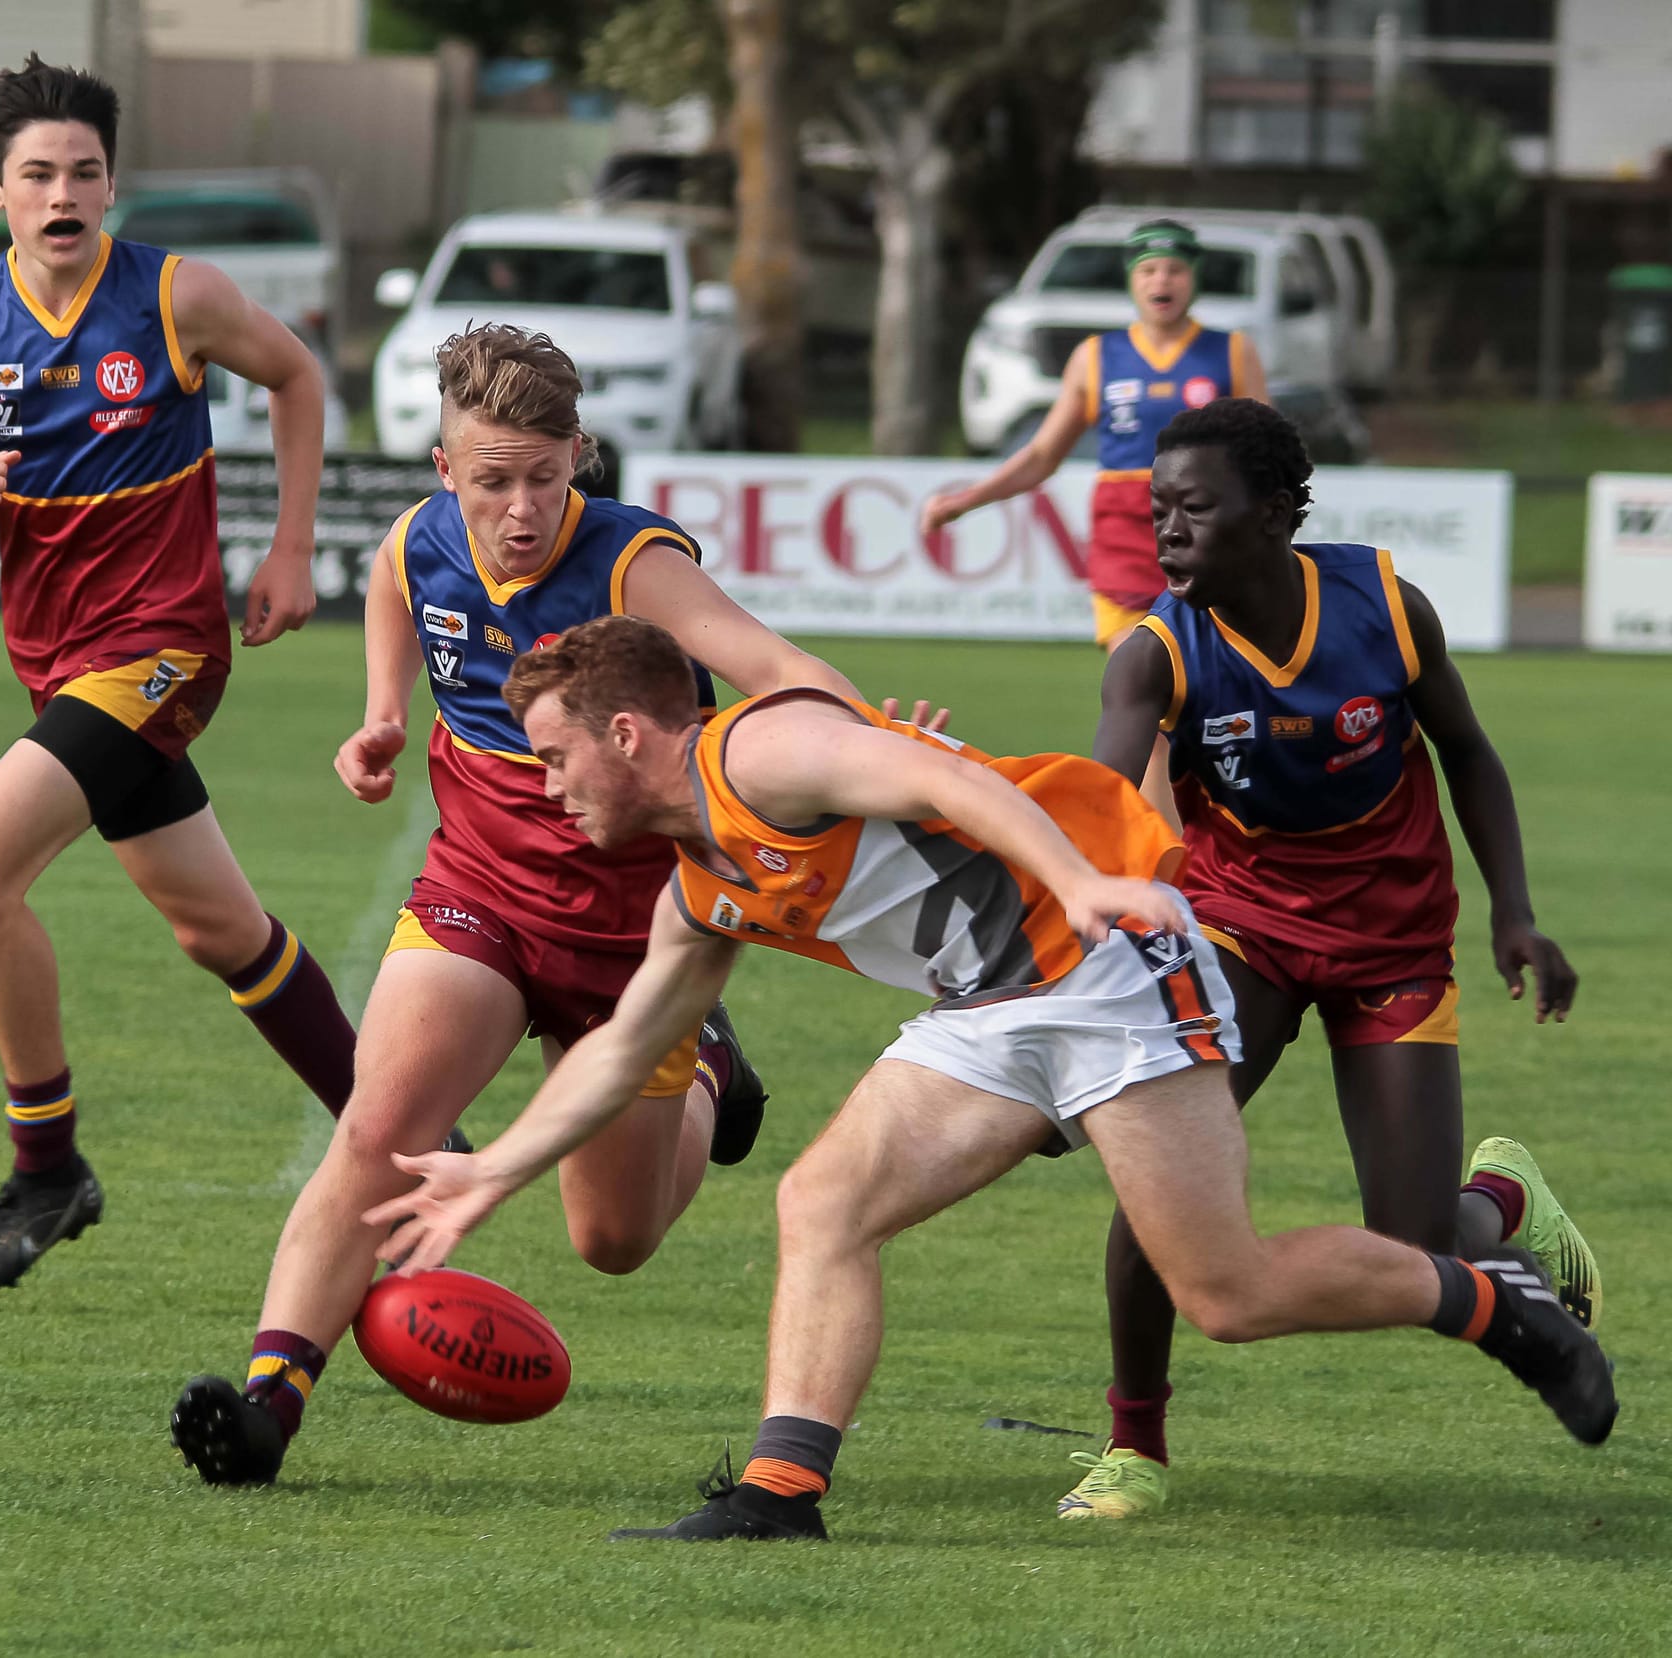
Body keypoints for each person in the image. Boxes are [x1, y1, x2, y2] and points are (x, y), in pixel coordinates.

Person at [363, 614, 1616, 1543]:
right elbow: (627, 1050)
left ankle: (1488, 1304)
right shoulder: (698, 889)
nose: (545, 781)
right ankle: (779, 1491)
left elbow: (946, 778)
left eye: (551, 753)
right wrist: (491, 1168)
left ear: (626, 731)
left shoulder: (763, 748)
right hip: (990, 1009)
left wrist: (1076, 880)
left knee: (1225, 1291)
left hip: (1107, 965)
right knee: (820, 1202)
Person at [168, 324, 875, 1487]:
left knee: (611, 1240)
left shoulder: (631, 562)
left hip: (637, 928)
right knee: (377, 1130)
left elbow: (770, 662)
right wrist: (379, 714)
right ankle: (266, 1404)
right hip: (480, 889)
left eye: (545, 476)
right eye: (490, 479)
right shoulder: (415, 538)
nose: (519, 506)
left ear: (578, 459)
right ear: (443, 468)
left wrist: (876, 750)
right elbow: (399, 591)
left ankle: (705, 1068)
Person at [1053, 396, 1601, 1518]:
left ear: (1274, 514)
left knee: (1407, 1250)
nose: (1166, 535)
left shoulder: (1383, 606)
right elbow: (1097, 806)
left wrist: (1513, 913)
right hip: (1239, 932)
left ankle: (1496, 1200)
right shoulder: (1154, 652)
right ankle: (1133, 1445)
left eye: (1193, 511)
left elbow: (1467, 752)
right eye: (1156, 511)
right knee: (1160, 1179)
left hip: (1393, 937)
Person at [0, 56, 359, 1299]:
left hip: (163, 650)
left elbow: (298, 376)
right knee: (219, 928)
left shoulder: (177, 296)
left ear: (112, 185)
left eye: (84, 170)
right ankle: (395, 1123)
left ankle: (48, 1171)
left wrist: (289, 547)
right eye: (37, 173)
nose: (63, 192)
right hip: (58, 664)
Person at [922, 218, 1268, 819]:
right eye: (1150, 270)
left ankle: (1223, 850)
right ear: (1132, 281)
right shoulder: (1096, 357)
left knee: (1219, 715)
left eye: (1176, 269)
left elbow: (1267, 451)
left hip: (1212, 550)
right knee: (1147, 711)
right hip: (1126, 545)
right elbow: (1040, 456)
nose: (1163, 280)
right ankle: (1168, 869)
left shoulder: (1230, 352)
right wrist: (966, 499)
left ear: (1194, 280)